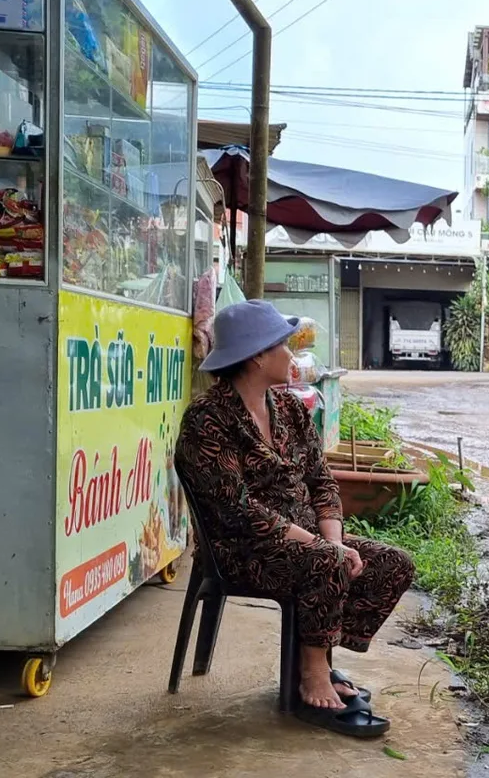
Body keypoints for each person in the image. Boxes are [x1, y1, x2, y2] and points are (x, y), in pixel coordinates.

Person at [174, 300, 414, 737]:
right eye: (283, 346)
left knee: (392, 562)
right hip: (241, 547)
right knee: (329, 562)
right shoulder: (207, 421)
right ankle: (313, 678)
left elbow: (321, 483)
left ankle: (319, 656)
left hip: (303, 538)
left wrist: (333, 538)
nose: (293, 356)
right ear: (257, 357)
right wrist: (320, 547)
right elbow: (236, 508)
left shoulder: (287, 409)